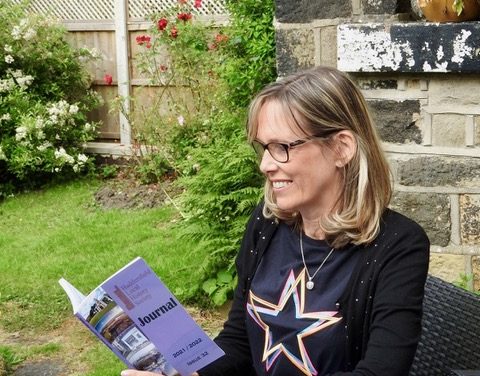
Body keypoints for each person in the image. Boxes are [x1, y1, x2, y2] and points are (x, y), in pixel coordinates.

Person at [121, 66, 430, 376]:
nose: (265, 165)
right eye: (264, 147)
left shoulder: (398, 246)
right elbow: (239, 339)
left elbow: (379, 372)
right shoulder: (267, 224)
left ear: (341, 148)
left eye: (282, 147)